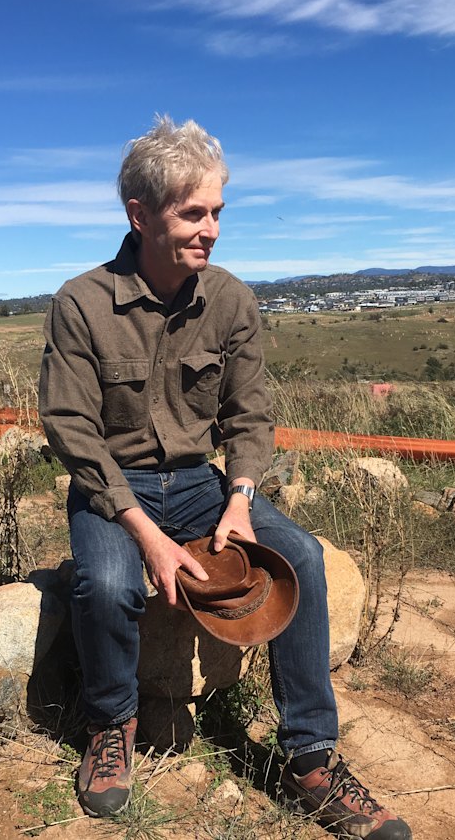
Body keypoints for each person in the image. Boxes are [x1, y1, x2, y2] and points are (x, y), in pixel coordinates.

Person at [39, 116, 412, 839]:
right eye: (193, 213)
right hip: (115, 489)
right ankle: (111, 724)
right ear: (139, 215)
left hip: (204, 485)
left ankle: (310, 758)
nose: (211, 229)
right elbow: (72, 429)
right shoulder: (81, 303)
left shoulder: (232, 299)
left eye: (216, 212)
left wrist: (240, 499)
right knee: (110, 584)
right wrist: (144, 534)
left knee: (299, 554)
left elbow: (250, 416)